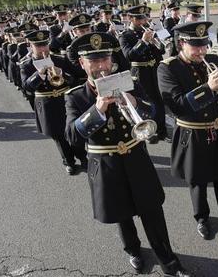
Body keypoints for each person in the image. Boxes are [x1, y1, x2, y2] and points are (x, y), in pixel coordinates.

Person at [64, 32, 191, 277]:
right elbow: (72, 136)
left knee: (152, 211)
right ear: (82, 64)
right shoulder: (76, 96)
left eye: (105, 60)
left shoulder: (129, 82)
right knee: (122, 214)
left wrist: (135, 102)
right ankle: (133, 249)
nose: (102, 67)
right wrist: (98, 108)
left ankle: (169, 261)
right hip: (107, 164)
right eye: (94, 61)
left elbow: (153, 112)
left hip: (136, 157)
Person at [158, 21, 218, 244]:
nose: (202, 51)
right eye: (196, 46)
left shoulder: (214, 60)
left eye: (204, 45)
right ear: (182, 43)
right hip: (192, 134)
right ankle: (202, 217)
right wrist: (207, 89)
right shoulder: (167, 67)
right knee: (197, 181)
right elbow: (178, 105)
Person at [20, 30, 87, 175]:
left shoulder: (59, 59)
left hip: (64, 100)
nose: (43, 49)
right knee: (58, 136)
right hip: (46, 103)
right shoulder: (26, 65)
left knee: (73, 131)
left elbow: (74, 80)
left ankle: (83, 157)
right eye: (38, 46)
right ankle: (68, 162)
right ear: (30, 45)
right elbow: (27, 88)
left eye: (45, 45)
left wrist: (61, 72)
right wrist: (40, 74)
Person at [120, 5, 170, 144]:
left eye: (143, 18)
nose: (142, 21)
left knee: (159, 100)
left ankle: (162, 130)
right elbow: (129, 56)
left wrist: (157, 41)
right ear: (130, 18)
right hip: (140, 73)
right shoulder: (125, 36)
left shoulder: (148, 31)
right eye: (138, 19)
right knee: (147, 102)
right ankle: (148, 132)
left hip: (153, 70)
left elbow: (160, 52)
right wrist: (143, 42)